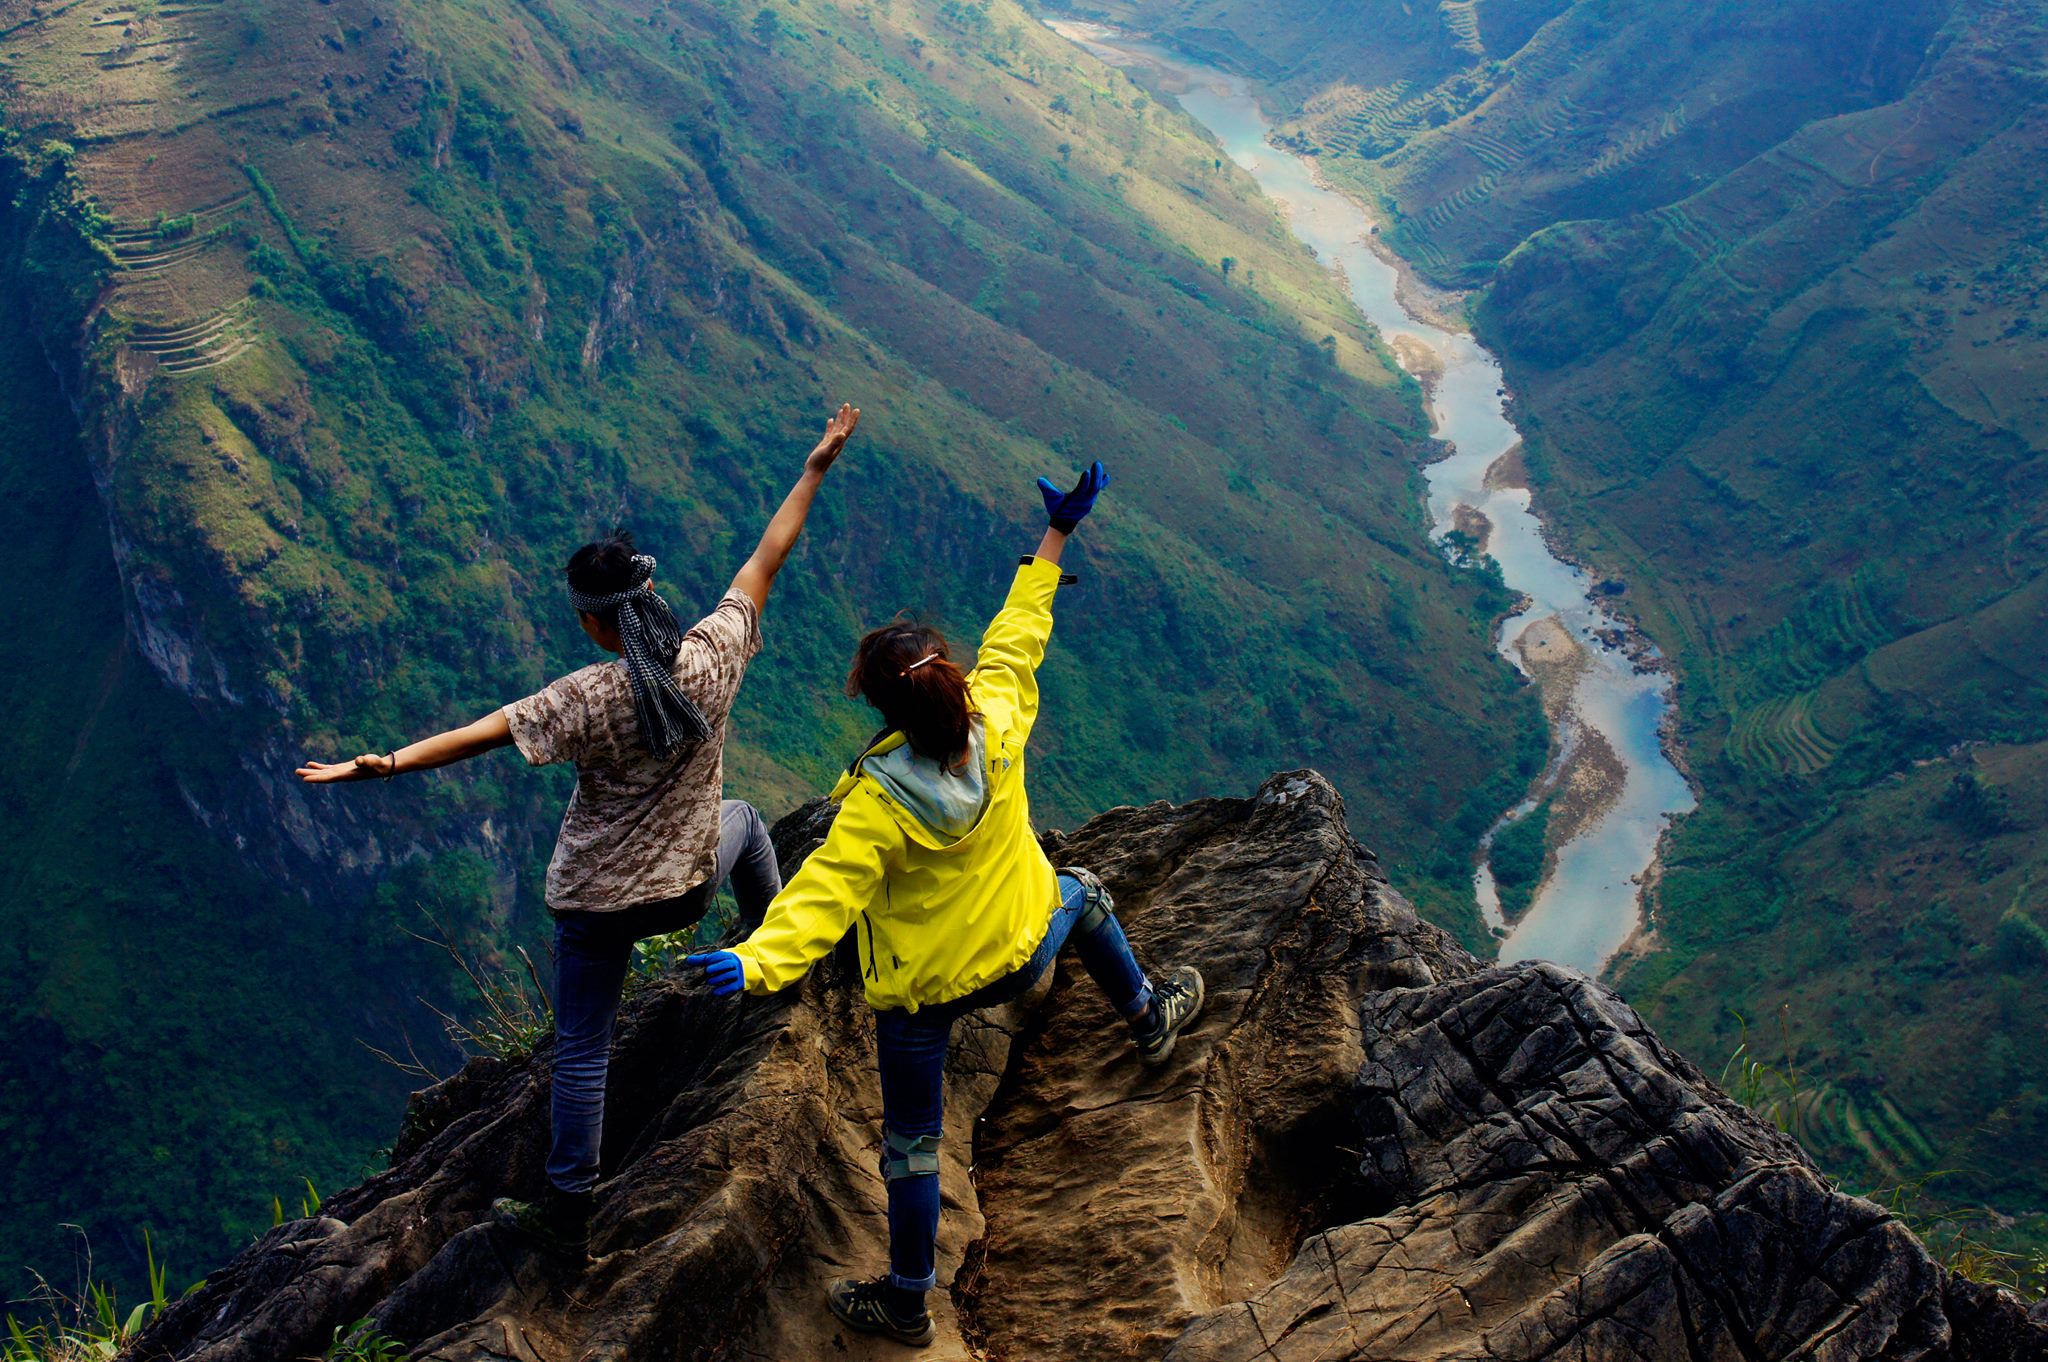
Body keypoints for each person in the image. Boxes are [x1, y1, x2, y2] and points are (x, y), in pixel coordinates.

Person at [296, 402, 862, 1255]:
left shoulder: (587, 698)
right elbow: (766, 557)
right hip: (682, 892)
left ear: (596, 621)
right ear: (648, 600)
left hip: (596, 906)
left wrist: (381, 764)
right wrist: (815, 467)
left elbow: (481, 734)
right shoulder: (712, 659)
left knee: (584, 1051)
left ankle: (569, 1210)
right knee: (742, 821)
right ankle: (779, 954)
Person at [685, 459, 1205, 1347]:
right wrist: (1056, 535)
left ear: (883, 707)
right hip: (1022, 949)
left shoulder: (879, 803)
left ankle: (907, 1299)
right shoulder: (997, 717)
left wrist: (751, 961)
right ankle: (1150, 1016)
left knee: (913, 1146)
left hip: (927, 998)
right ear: (951, 680)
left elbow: (819, 903)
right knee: (1081, 892)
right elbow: (1018, 637)